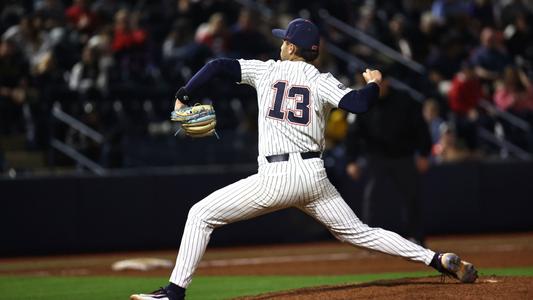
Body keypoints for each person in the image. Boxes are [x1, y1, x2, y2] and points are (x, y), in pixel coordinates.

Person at [130, 18, 477, 300]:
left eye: (284, 40)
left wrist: (183, 94)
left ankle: (174, 293)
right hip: (313, 177)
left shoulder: (266, 71)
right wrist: (373, 84)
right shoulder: (322, 79)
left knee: (201, 214)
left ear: (292, 48)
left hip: (276, 178)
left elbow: (218, 65)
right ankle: (436, 259)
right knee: (360, 232)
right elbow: (359, 104)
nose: (280, 44)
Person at [345, 78, 432, 246]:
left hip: (403, 156)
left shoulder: (404, 100)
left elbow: (420, 127)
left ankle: (417, 238)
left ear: (388, 82)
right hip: (376, 157)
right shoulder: (364, 100)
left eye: (381, 82)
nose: (379, 86)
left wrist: (424, 153)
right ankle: (370, 241)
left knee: (412, 197)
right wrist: (351, 160)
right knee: (372, 198)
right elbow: (354, 134)